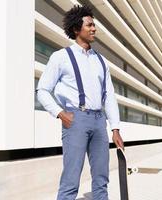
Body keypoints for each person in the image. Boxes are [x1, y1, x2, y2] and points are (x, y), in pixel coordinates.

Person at [37, 4, 124, 200]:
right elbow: (42, 90)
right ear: (77, 29)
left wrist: (115, 128)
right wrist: (60, 113)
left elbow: (109, 95)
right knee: (71, 180)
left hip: (99, 121)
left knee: (102, 179)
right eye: (89, 25)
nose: (94, 29)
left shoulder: (101, 61)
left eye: (94, 25)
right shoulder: (61, 57)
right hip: (76, 119)